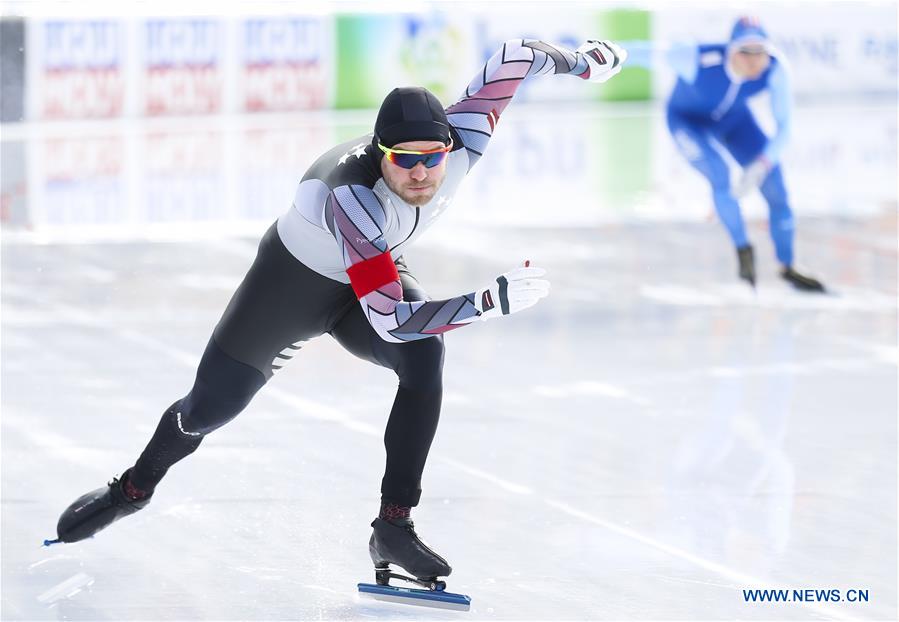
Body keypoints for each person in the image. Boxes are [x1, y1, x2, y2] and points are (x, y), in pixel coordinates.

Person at [51, 38, 626, 586]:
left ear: (451, 143)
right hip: (290, 289)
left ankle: (393, 527)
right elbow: (390, 321)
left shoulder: (466, 135)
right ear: (382, 155)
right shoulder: (353, 199)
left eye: (432, 157)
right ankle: (133, 489)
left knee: (426, 356)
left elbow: (518, 58)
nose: (421, 174)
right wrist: (485, 303)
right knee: (206, 412)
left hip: (370, 275)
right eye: (404, 161)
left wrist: (583, 62)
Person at [627, 17, 825, 291]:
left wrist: (762, 164)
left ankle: (788, 265)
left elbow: (785, 128)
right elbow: (635, 52)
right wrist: (585, 60)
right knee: (720, 173)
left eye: (761, 52)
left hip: (734, 120)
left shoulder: (776, 67)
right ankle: (744, 251)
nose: (755, 61)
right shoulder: (696, 58)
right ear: (731, 50)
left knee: (776, 187)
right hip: (687, 122)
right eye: (746, 52)